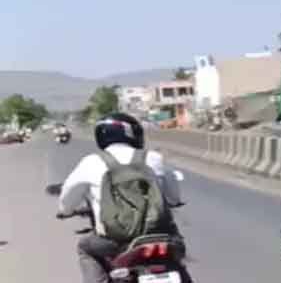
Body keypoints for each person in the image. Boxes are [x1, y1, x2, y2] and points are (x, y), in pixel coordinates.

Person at [58, 113, 189, 283]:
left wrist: (65, 210)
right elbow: (174, 197)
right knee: (176, 258)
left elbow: (68, 196)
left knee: (85, 248)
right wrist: (172, 202)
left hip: (114, 242)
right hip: (160, 236)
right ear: (133, 134)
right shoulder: (153, 158)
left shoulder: (91, 162)